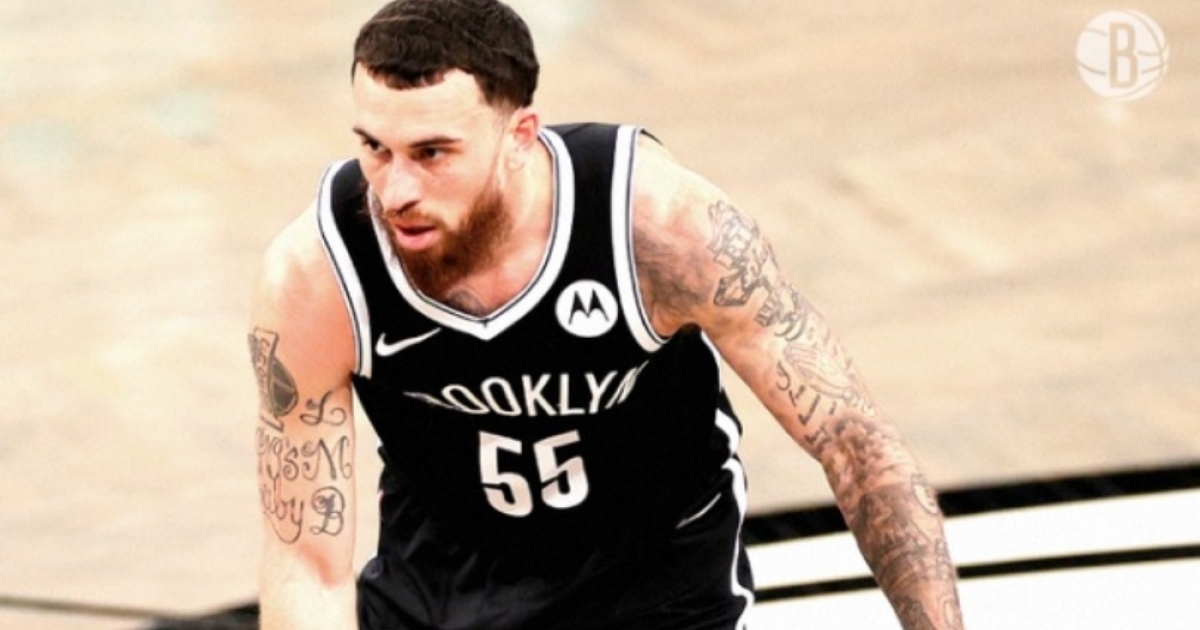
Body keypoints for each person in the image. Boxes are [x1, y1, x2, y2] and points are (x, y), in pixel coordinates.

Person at [248, 1, 966, 628]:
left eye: (432, 152)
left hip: (659, 586)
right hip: (443, 590)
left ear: (521, 136)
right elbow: (305, 560)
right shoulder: (318, 275)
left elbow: (854, 442)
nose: (395, 190)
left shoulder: (662, 230)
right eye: (374, 148)